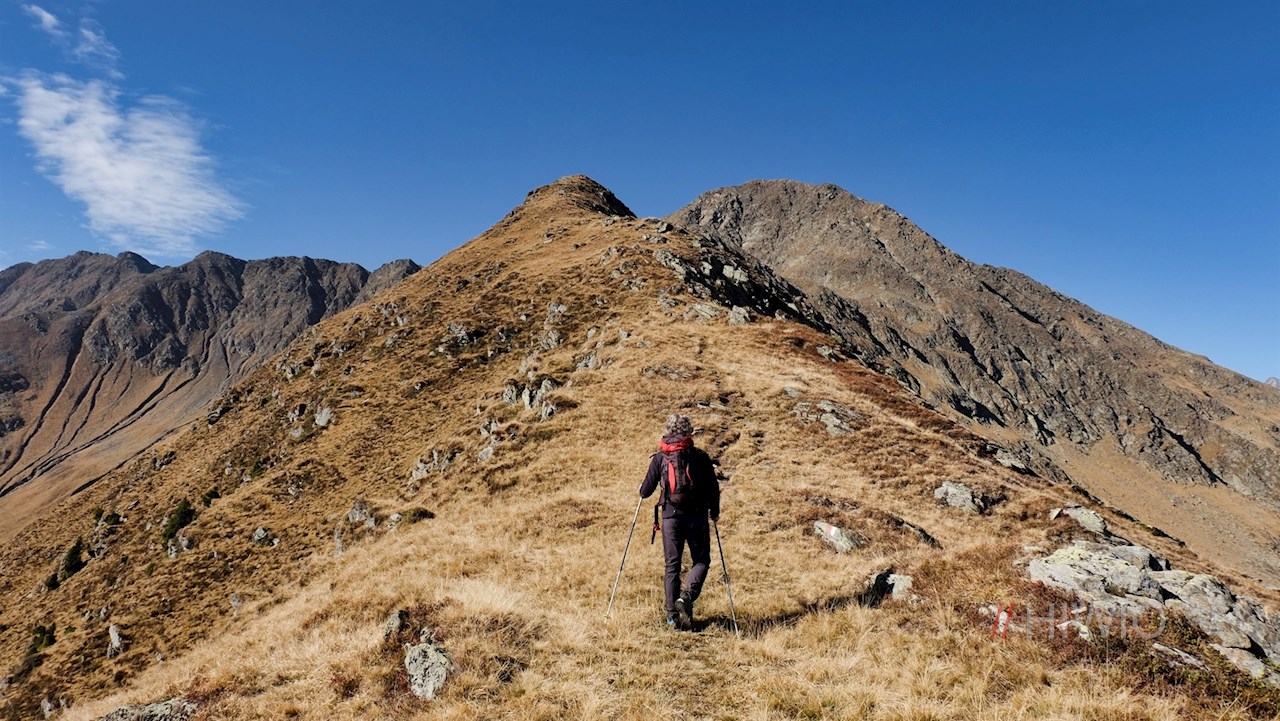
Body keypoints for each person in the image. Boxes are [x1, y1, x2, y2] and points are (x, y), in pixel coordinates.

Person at [639, 413, 720, 630]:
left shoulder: (660, 458)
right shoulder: (700, 456)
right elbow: (713, 487)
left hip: (671, 517)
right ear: (689, 432)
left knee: (672, 565)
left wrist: (641, 489)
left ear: (668, 431)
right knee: (701, 560)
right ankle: (686, 597)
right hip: (697, 516)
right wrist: (714, 512)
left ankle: (672, 618)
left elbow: (645, 492)